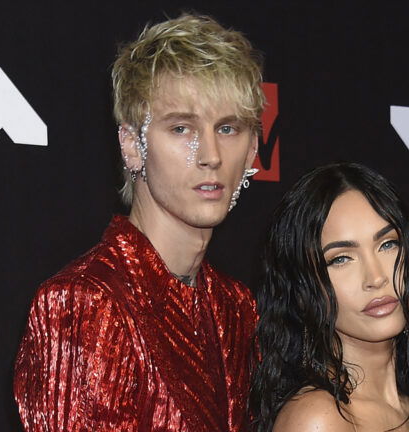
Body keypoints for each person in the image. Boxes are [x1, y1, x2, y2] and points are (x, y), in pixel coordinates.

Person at [13, 13, 265, 431]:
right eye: (181, 128)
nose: (211, 155)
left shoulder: (237, 308)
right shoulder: (84, 303)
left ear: (253, 147)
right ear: (132, 145)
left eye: (227, 128)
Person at [250, 162, 409, 431]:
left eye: (387, 244)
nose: (376, 278)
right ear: (303, 289)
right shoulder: (318, 419)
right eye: (340, 259)